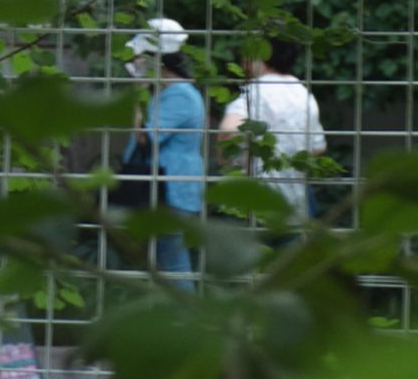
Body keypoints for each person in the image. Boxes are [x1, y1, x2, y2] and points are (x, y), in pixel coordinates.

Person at [128, 17, 205, 283]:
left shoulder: (180, 95)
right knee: (166, 264)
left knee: (173, 265)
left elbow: (145, 139)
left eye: (139, 57)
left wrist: (138, 92)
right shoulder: (169, 92)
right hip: (164, 190)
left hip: (171, 192)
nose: (135, 63)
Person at [217, 37, 326, 221]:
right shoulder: (303, 94)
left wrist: (227, 160)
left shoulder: (254, 93)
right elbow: (318, 147)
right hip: (294, 205)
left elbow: (229, 129)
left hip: (252, 204)